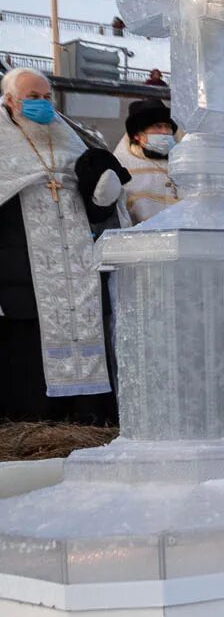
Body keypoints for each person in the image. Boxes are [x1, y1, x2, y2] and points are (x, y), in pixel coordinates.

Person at [0, 68, 117, 422]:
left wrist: (103, 197)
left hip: (78, 268)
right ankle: (33, 423)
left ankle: (89, 419)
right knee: (26, 349)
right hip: (20, 273)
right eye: (32, 98)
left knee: (86, 333)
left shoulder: (72, 140)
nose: (42, 104)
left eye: (47, 96)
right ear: (9, 101)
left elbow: (95, 213)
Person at [113, 98, 180, 225]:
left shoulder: (181, 162)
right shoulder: (122, 166)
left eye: (168, 127)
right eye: (157, 126)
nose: (165, 132)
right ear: (137, 135)